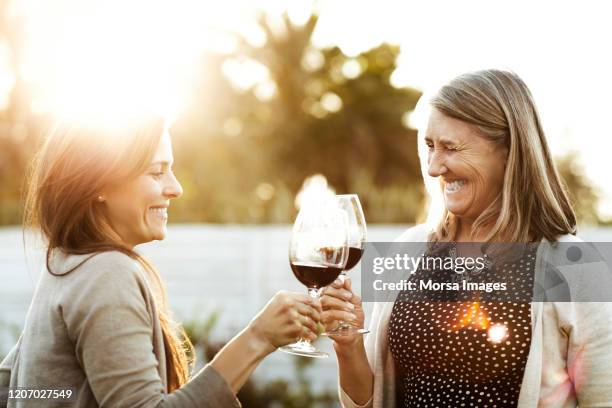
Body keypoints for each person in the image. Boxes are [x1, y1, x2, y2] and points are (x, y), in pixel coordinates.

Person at [321, 69, 612, 407]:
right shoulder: (411, 250)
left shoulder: (578, 269)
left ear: (508, 151)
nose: (433, 167)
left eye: (451, 148)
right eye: (430, 146)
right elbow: (372, 403)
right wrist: (348, 345)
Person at [0, 118, 321, 407]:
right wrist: (258, 337)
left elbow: (13, 386)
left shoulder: (65, 265)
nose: (176, 188)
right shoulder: (106, 273)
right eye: (156, 172)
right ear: (97, 183)